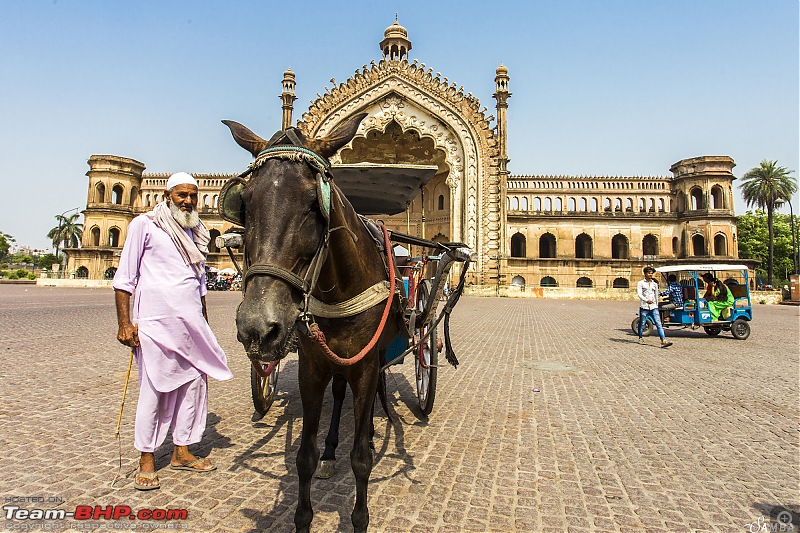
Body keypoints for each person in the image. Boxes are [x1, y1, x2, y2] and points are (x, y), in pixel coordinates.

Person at [114, 172, 233, 491]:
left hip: (191, 324)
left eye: (193, 195)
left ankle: (182, 450)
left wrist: (204, 323)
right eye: (182, 195)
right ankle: (147, 459)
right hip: (154, 322)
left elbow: (200, 283)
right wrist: (125, 323)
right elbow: (124, 278)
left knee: (194, 387)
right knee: (154, 389)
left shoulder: (199, 230)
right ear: (167, 196)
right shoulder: (144, 225)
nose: (189, 201)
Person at [636, 266, 673, 348]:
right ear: (645, 274)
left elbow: (656, 295)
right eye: (649, 273)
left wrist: (656, 304)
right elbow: (639, 294)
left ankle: (663, 340)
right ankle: (640, 337)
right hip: (644, 306)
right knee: (642, 323)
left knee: (659, 324)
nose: (650, 274)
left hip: (653, 307)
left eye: (651, 273)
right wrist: (646, 300)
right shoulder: (641, 283)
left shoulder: (655, 284)